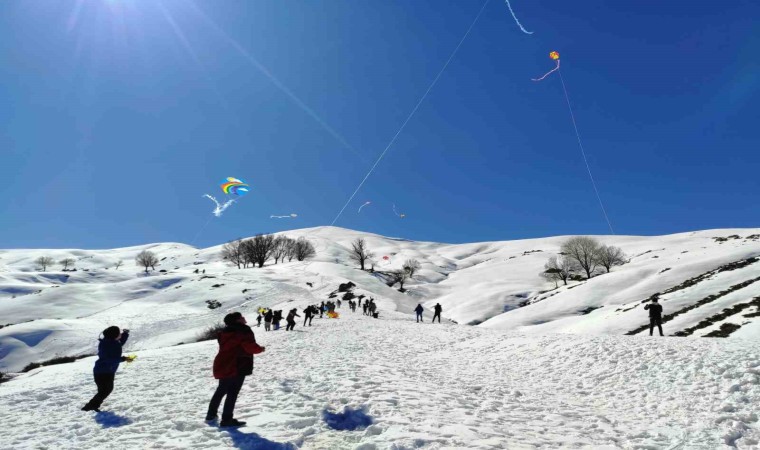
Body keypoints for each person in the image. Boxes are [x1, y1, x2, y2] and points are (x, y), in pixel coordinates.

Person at [206, 312, 264, 427]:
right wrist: (260, 349)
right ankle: (227, 419)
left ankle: (211, 415)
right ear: (237, 320)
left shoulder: (224, 332)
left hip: (223, 363)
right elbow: (249, 346)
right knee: (232, 392)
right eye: (241, 317)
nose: (244, 318)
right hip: (237, 364)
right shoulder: (243, 330)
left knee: (221, 390)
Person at [82, 326, 130, 412]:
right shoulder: (106, 345)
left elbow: (120, 341)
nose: (120, 335)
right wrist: (123, 359)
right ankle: (89, 407)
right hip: (102, 372)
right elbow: (108, 359)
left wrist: (125, 333)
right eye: (119, 333)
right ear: (114, 335)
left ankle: (92, 406)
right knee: (106, 390)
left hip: (108, 371)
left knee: (104, 390)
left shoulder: (113, 342)